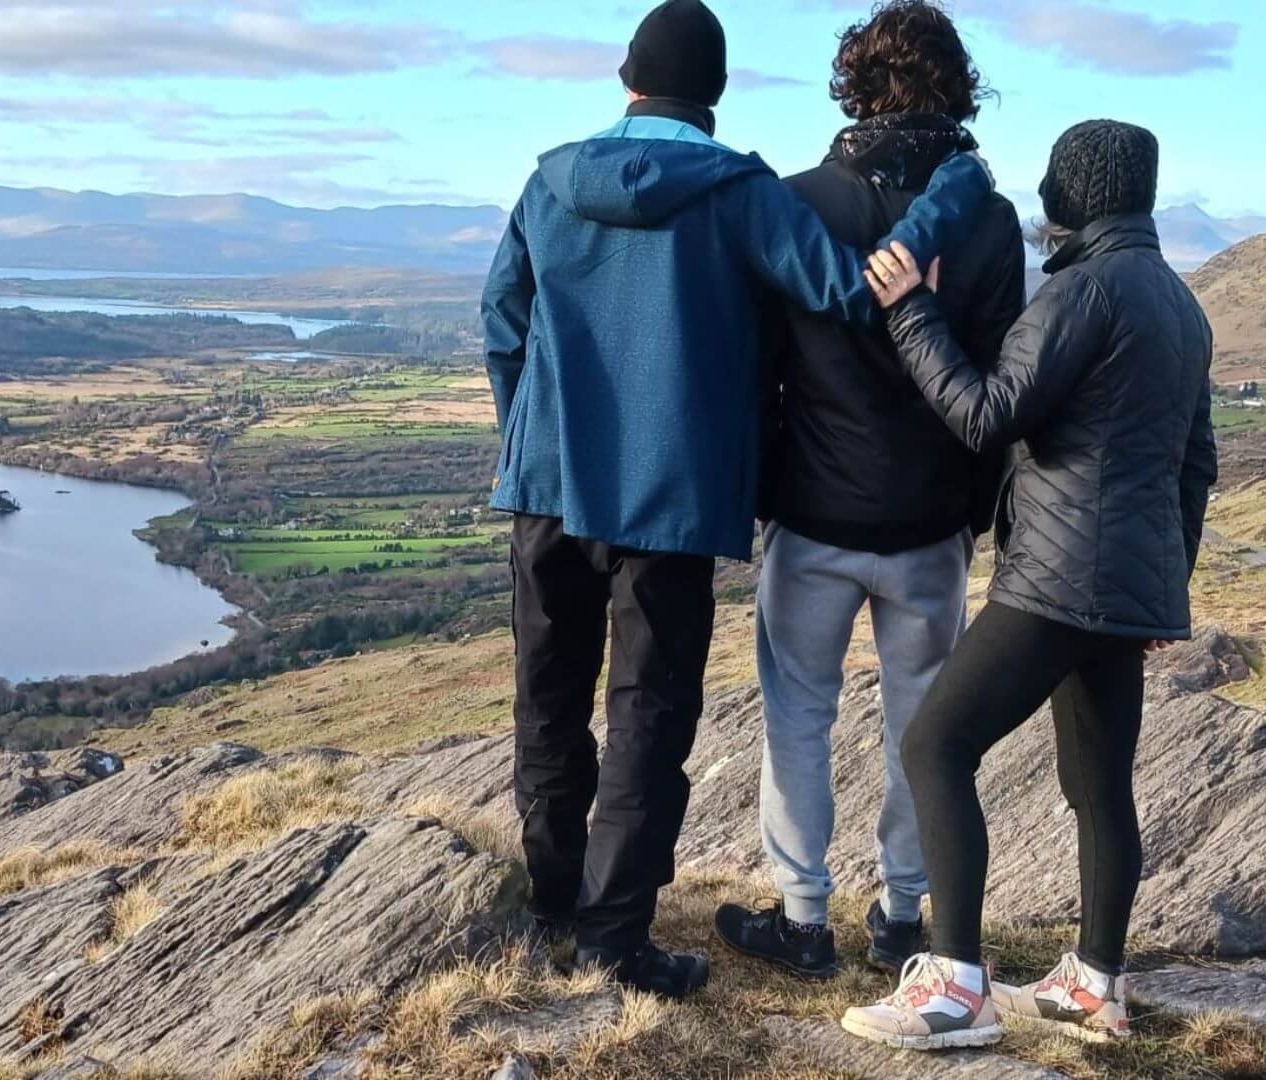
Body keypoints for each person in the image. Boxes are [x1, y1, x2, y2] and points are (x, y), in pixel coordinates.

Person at [483, 0, 991, 999]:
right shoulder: (739, 192)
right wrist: (953, 195)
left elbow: (503, 320)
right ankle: (614, 938)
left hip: (547, 487)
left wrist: (532, 442)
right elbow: (856, 290)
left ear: (628, 78)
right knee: (648, 716)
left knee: (547, 702)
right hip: (667, 502)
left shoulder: (548, 182)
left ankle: (551, 907)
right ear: (714, 95)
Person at [842, 120, 1217, 1050]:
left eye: (1056, 176)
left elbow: (984, 413)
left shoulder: (1081, 290)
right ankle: (1095, 986)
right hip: (1125, 587)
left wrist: (910, 312)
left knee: (936, 745)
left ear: (1079, 190)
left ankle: (955, 986)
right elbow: (1195, 465)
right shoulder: (1181, 303)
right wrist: (1163, 584)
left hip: (1056, 575)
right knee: (1099, 788)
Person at [714, 0, 1026, 980]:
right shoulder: (992, 219)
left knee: (797, 711)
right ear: (956, 88)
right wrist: (974, 511)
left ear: (856, 84)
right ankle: (902, 917)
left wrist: (764, 489)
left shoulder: (800, 201)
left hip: (812, 515)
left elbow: (756, 368)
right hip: (932, 522)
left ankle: (804, 921)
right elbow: (1000, 382)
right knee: (922, 723)